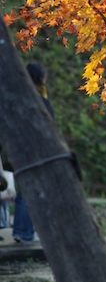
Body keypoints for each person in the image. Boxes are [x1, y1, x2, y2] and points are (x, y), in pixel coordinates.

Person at [13, 62, 54, 244]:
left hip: (20, 148)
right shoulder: (38, 98)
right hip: (35, 149)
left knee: (24, 191)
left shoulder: (19, 96)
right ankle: (25, 232)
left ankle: (21, 231)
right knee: (31, 192)